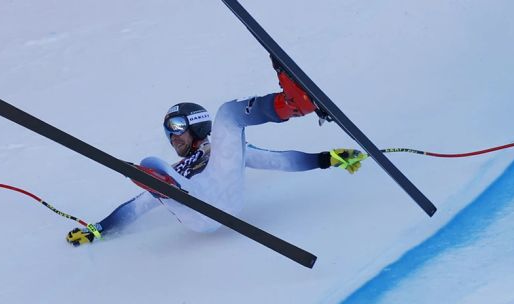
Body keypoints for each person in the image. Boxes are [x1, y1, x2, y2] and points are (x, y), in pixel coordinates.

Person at [66, 60, 367, 245]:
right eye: (169, 133)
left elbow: (278, 160)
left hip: (224, 191)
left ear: (195, 125)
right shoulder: (175, 168)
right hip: (195, 208)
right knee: (152, 163)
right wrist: (99, 229)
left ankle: (293, 103)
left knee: (227, 114)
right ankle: (165, 188)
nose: (173, 138)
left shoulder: (224, 150)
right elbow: (134, 208)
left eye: (176, 129)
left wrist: (326, 159)